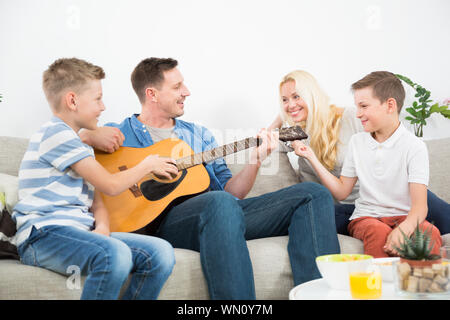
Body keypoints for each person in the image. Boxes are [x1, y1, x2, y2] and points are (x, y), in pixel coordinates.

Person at [85, 57, 340, 300]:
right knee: (218, 202)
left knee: (312, 194)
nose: (187, 91)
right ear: (152, 94)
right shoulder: (117, 135)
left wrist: (256, 159)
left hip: (221, 215)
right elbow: (65, 150)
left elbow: (233, 194)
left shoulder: (198, 136)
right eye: (177, 86)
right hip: (163, 225)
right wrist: (87, 136)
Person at [12, 58, 175, 300]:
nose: (103, 107)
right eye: (98, 98)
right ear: (72, 101)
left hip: (79, 231)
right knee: (115, 254)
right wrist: (148, 165)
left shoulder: (80, 145)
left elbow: (97, 201)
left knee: (160, 253)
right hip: (43, 236)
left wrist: (103, 228)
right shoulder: (55, 134)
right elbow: (110, 185)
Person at [269, 70, 450, 235]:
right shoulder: (295, 133)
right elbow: (260, 142)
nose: (291, 104)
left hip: (382, 200)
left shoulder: (350, 117)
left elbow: (388, 144)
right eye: (284, 99)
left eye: (296, 96)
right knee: (306, 217)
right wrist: (279, 119)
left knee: (425, 202)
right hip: (348, 209)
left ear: (312, 96)